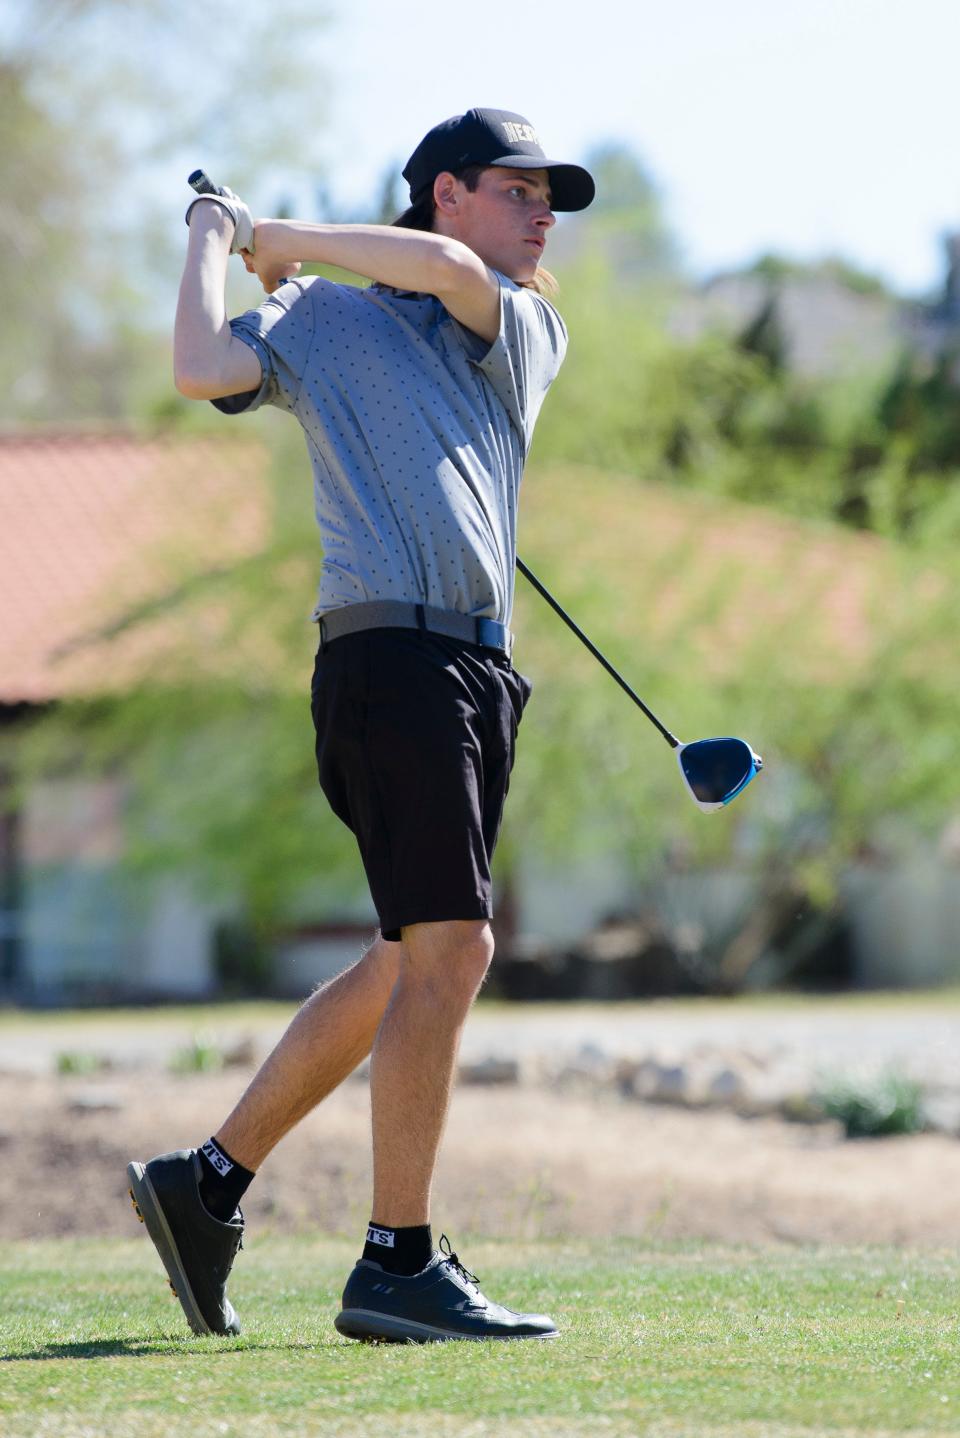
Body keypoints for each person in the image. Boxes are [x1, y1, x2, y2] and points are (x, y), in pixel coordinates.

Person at [127, 108, 595, 1344]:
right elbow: (199, 368)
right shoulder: (321, 318)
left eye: (552, 196)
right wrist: (207, 236)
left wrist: (274, 234)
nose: (545, 213)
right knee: (455, 950)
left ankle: (207, 1182)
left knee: (406, 957)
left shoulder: (521, 319)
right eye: (520, 190)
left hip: (473, 677)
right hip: (390, 661)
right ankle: (396, 1262)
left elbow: (436, 275)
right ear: (447, 190)